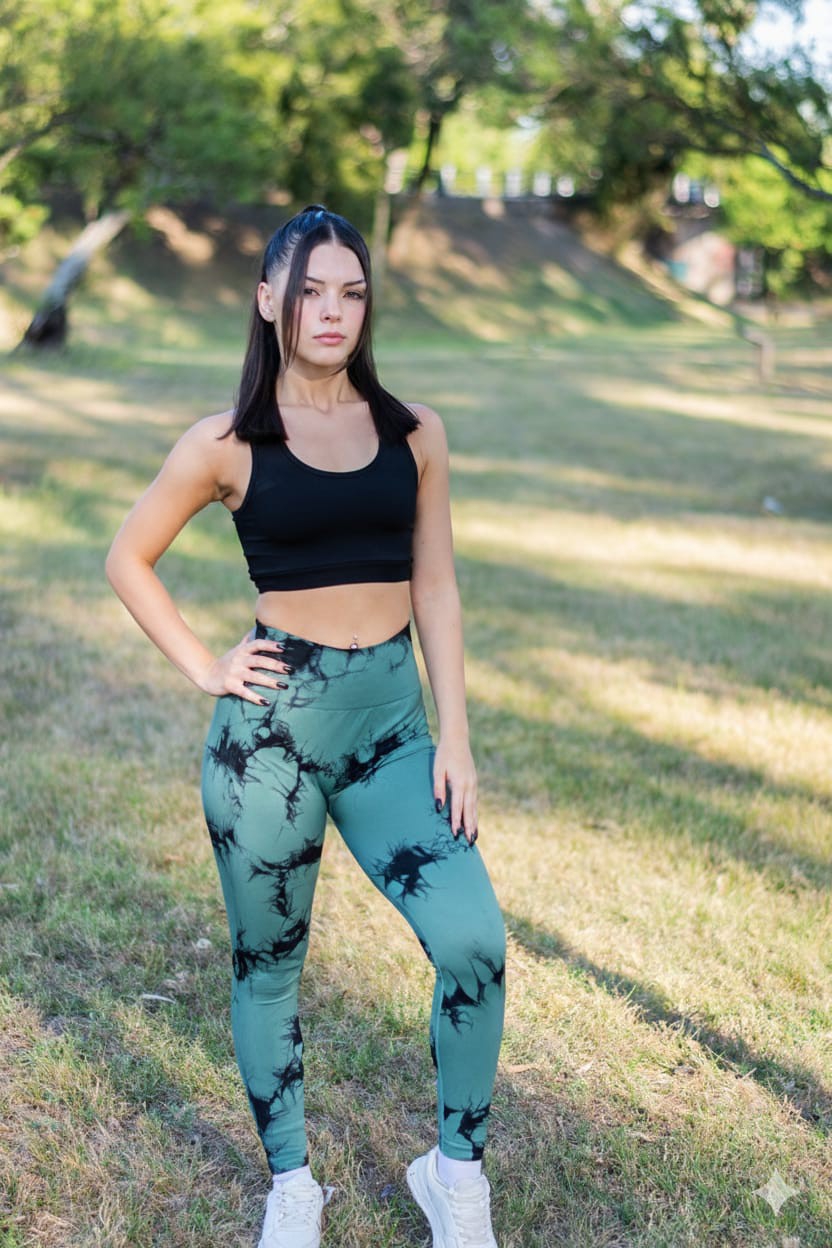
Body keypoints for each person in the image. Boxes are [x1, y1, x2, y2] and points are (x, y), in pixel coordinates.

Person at [105, 203, 507, 1248]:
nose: (333, 311)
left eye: (352, 292)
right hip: (270, 743)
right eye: (311, 291)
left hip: (391, 733)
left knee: (473, 942)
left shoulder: (414, 432)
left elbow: (437, 586)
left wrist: (456, 737)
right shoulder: (226, 443)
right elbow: (127, 557)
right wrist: (205, 665)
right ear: (268, 301)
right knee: (268, 966)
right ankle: (293, 1185)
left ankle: (454, 1175)